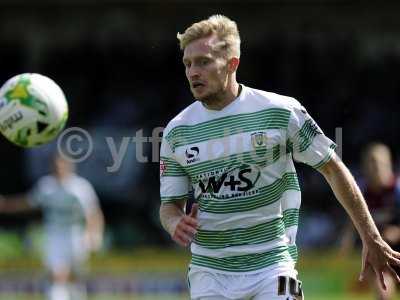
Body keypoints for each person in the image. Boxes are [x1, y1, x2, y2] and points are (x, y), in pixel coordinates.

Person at [159, 14, 400, 300]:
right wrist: (174, 222)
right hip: (210, 271)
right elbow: (170, 206)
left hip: (271, 264)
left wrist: (370, 236)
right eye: (187, 64)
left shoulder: (280, 111)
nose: (193, 72)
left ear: (232, 64)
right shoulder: (177, 131)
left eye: (203, 61)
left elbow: (333, 169)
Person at [0, 153, 104, 300]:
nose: (59, 168)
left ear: (70, 167)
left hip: (75, 236)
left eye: (63, 165)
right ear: (52, 167)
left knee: (74, 278)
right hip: (54, 236)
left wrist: (94, 234)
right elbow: (28, 203)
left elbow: (93, 213)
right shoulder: (46, 186)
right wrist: (5, 205)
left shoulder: (81, 187)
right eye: (56, 165)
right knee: (58, 275)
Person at [341, 143, 400, 300]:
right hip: (378, 253)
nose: (375, 168)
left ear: (389, 164)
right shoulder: (361, 191)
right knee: (383, 292)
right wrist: (345, 244)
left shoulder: (397, 190)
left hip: (398, 250)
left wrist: (396, 232)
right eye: (370, 163)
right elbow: (352, 221)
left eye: (378, 163)